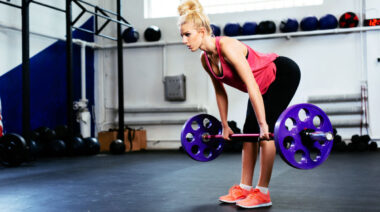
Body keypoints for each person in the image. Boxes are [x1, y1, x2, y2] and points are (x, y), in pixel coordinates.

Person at [177, 0, 300, 209]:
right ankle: (244, 187)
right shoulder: (204, 59)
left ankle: (262, 192)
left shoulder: (227, 46)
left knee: (265, 131)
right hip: (261, 87)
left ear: (201, 31)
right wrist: (224, 124)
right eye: (182, 35)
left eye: (187, 35)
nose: (184, 40)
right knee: (248, 130)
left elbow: (251, 83)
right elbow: (219, 91)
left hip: (282, 74)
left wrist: (264, 124)